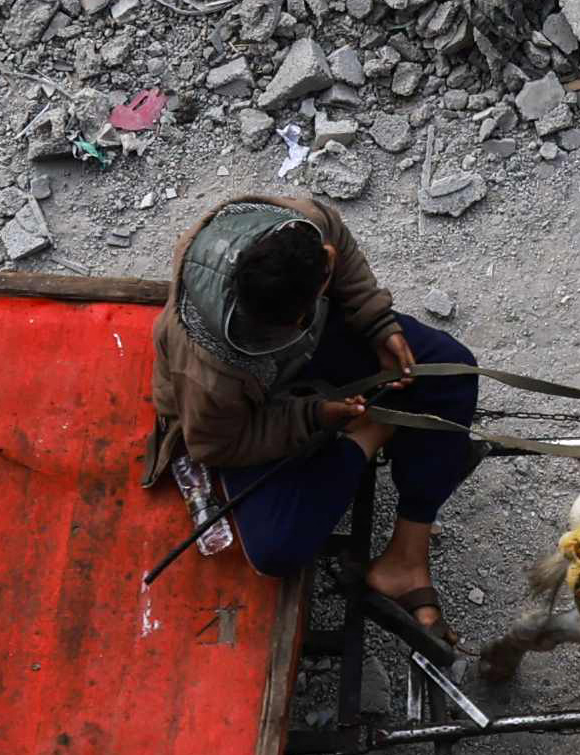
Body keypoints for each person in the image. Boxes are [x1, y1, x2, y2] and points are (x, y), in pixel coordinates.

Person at [147, 191, 481, 625]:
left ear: (322, 268)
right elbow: (217, 445)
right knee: (276, 548)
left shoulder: (301, 224)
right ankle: (373, 432)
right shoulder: (210, 371)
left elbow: (342, 249)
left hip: (304, 344)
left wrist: (377, 323)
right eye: (282, 327)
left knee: (451, 373)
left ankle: (404, 559)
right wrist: (311, 417)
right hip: (249, 409)